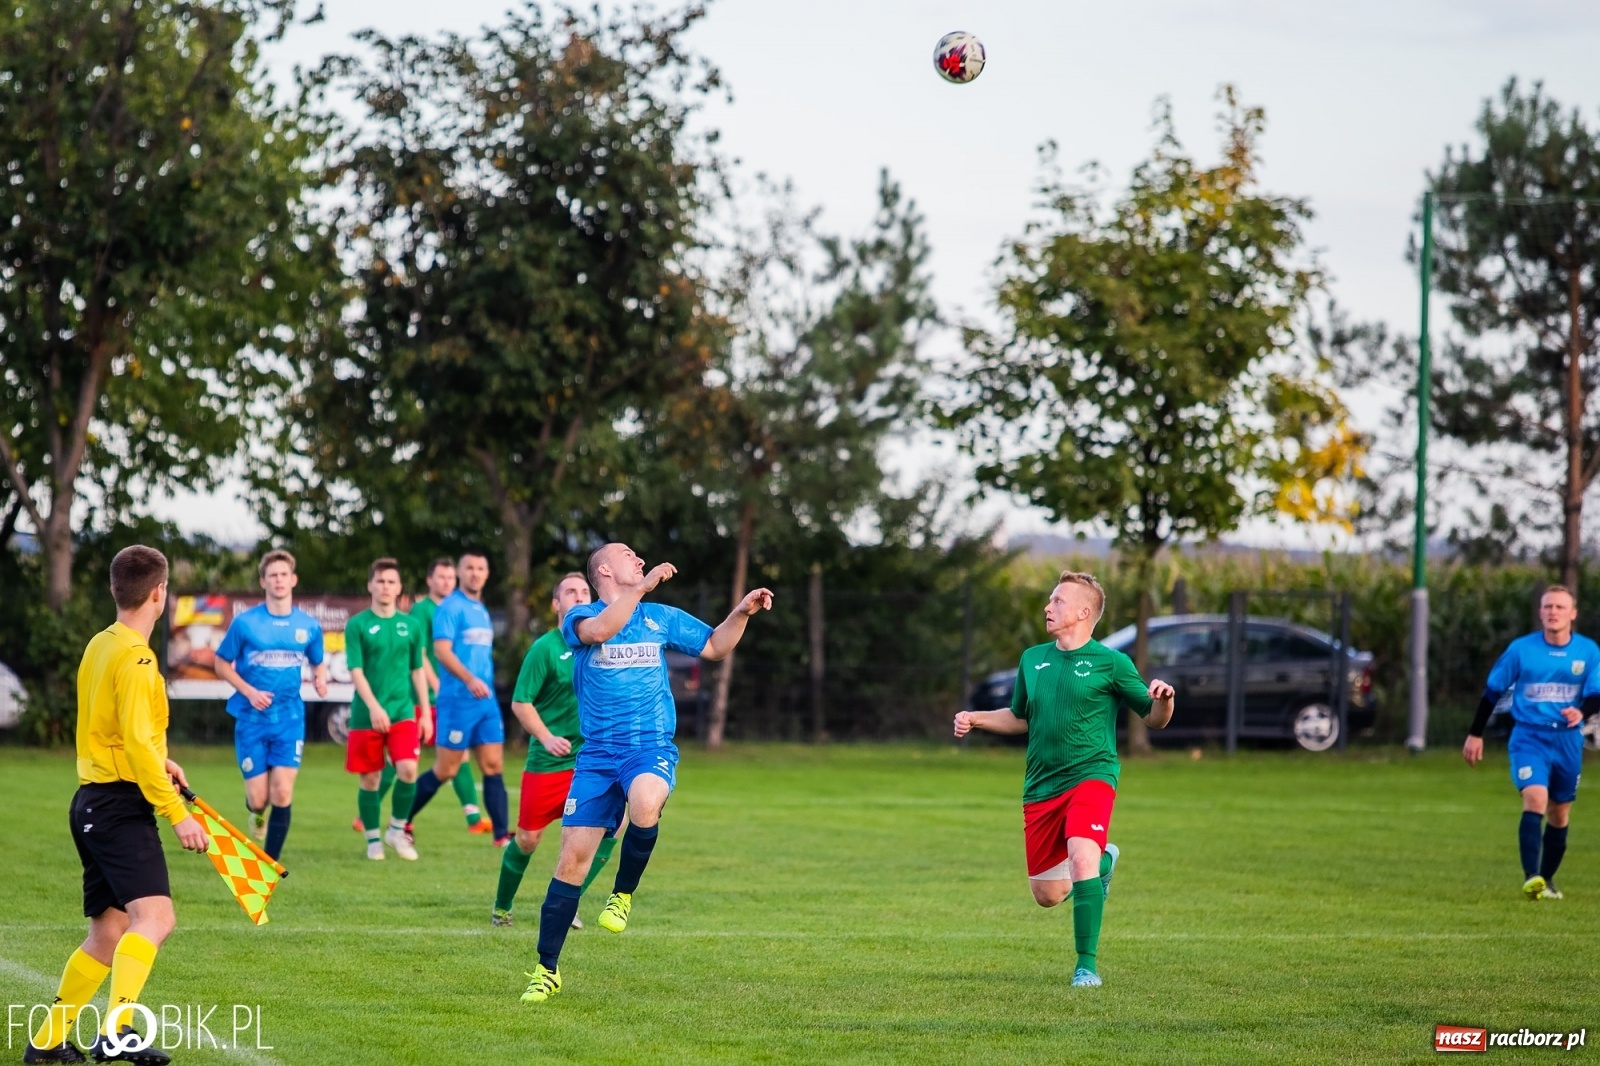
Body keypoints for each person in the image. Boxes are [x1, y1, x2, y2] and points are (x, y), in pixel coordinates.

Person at [520, 543, 773, 1004]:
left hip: (649, 747)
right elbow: (602, 629)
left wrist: (740, 613)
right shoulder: (579, 616)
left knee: (644, 801)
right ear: (603, 570)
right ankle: (546, 969)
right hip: (597, 756)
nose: (639, 560)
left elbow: (715, 646)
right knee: (571, 862)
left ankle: (622, 895)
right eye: (628, 555)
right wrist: (640, 588)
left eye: (640, 558)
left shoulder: (659, 616)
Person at [24, 545, 211, 1065]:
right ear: (159, 593)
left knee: (108, 933)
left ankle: (47, 1043)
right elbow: (133, 743)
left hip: (91, 801)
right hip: (117, 807)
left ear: (115, 589)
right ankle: (117, 1030)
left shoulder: (101, 643)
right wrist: (178, 814)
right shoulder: (138, 659)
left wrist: (161, 759)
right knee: (156, 919)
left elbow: (119, 731)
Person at [953, 571, 1174, 989]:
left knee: (1080, 858)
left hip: (1092, 775)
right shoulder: (1032, 659)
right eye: (1050, 600)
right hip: (1041, 786)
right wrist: (975, 718)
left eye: (1057, 601)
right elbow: (1019, 717)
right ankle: (1106, 861)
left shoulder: (1112, 662)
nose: (1047, 607)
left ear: (1084, 612)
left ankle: (1086, 968)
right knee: (1048, 894)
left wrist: (1165, 700)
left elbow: (1154, 718)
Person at [493, 572, 626, 928]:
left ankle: (569, 904)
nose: (579, 596)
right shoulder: (546, 648)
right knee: (527, 839)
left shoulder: (603, 644)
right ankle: (502, 908)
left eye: (584, 591)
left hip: (592, 760)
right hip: (549, 762)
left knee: (615, 826)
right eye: (570, 591)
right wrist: (547, 736)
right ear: (556, 603)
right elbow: (521, 702)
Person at [1463, 584, 1598, 901]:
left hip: (1567, 740)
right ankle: (1531, 876)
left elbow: (1596, 693)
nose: (1553, 612)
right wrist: (1475, 733)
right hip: (1529, 736)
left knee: (1559, 813)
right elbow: (1493, 691)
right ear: (1540, 612)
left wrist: (1581, 711)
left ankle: (1547, 880)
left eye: (1560, 607)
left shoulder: (1588, 651)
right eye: (1548, 606)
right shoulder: (1521, 649)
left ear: (1573, 614)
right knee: (1536, 798)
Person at [213, 550, 328, 860]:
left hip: (290, 719)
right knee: (259, 798)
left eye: (284, 575)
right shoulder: (245, 623)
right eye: (273, 575)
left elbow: (318, 661)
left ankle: (269, 864)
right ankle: (256, 812)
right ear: (263, 581)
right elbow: (221, 663)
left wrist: (320, 677)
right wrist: (249, 691)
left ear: (293, 580)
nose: (279, 580)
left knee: (282, 792)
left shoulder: (308, 625)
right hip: (251, 719)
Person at [405, 552, 510, 845]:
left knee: (493, 765)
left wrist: (481, 683)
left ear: (487, 574)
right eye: (469, 568)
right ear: (460, 573)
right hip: (457, 699)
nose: (475, 573)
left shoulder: (481, 609)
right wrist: (469, 679)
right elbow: (441, 651)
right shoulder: (450, 607)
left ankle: (502, 835)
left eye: (480, 568)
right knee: (446, 769)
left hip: (485, 701)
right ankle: (401, 820)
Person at [346, 558, 434, 861]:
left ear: (399, 588)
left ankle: (396, 830)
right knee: (370, 779)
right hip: (365, 714)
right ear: (370, 585)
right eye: (380, 581)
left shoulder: (411, 625)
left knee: (408, 769)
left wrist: (425, 712)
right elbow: (356, 671)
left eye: (391, 582)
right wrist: (373, 707)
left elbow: (417, 670)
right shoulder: (357, 625)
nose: (385, 587)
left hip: (402, 712)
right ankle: (373, 840)